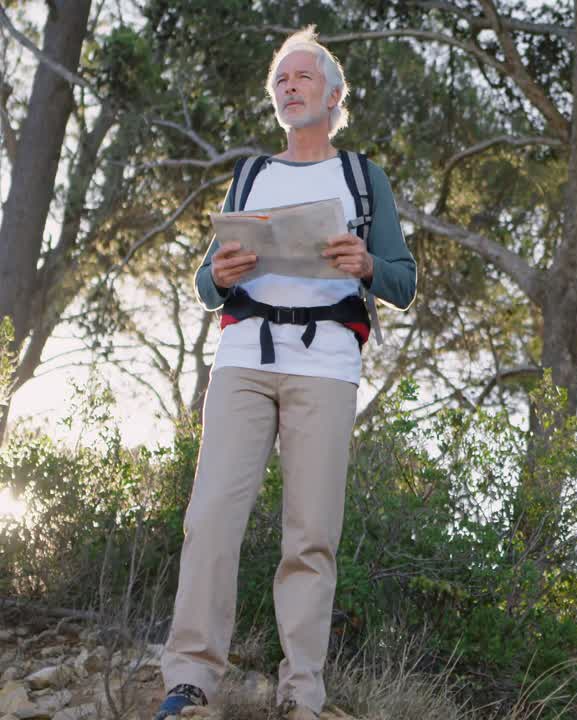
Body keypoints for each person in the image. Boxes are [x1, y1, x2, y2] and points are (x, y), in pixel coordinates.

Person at [154, 26, 416, 720]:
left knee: (311, 532)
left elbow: (403, 280)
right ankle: (189, 682)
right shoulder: (251, 175)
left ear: (332, 95)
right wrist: (217, 271)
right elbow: (208, 284)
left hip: (326, 363)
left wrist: (366, 266)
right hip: (243, 357)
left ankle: (301, 693)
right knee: (210, 519)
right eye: (280, 79)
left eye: (302, 77)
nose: (288, 86)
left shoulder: (362, 177)